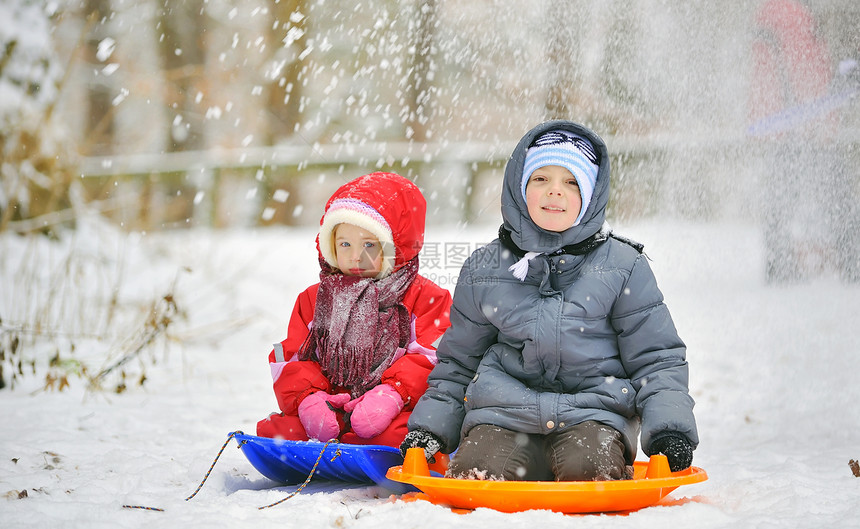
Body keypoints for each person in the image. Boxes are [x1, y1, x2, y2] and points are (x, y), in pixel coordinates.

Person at [400, 121, 699, 481]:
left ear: (590, 196)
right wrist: (431, 429)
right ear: (519, 186)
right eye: (541, 179)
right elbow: (459, 362)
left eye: (571, 182)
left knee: (590, 472)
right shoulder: (485, 268)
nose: (554, 192)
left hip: (592, 414)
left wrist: (669, 430)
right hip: (502, 416)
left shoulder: (622, 266)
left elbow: (656, 358)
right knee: (473, 474)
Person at [256, 172, 452, 447]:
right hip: (332, 406)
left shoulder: (425, 297)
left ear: (396, 246)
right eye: (345, 243)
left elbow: (434, 357)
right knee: (276, 432)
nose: (356, 256)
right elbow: (292, 357)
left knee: (402, 435)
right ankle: (334, 434)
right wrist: (309, 398)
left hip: (395, 409)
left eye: (369, 244)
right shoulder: (314, 300)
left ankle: (365, 442)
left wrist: (393, 393)